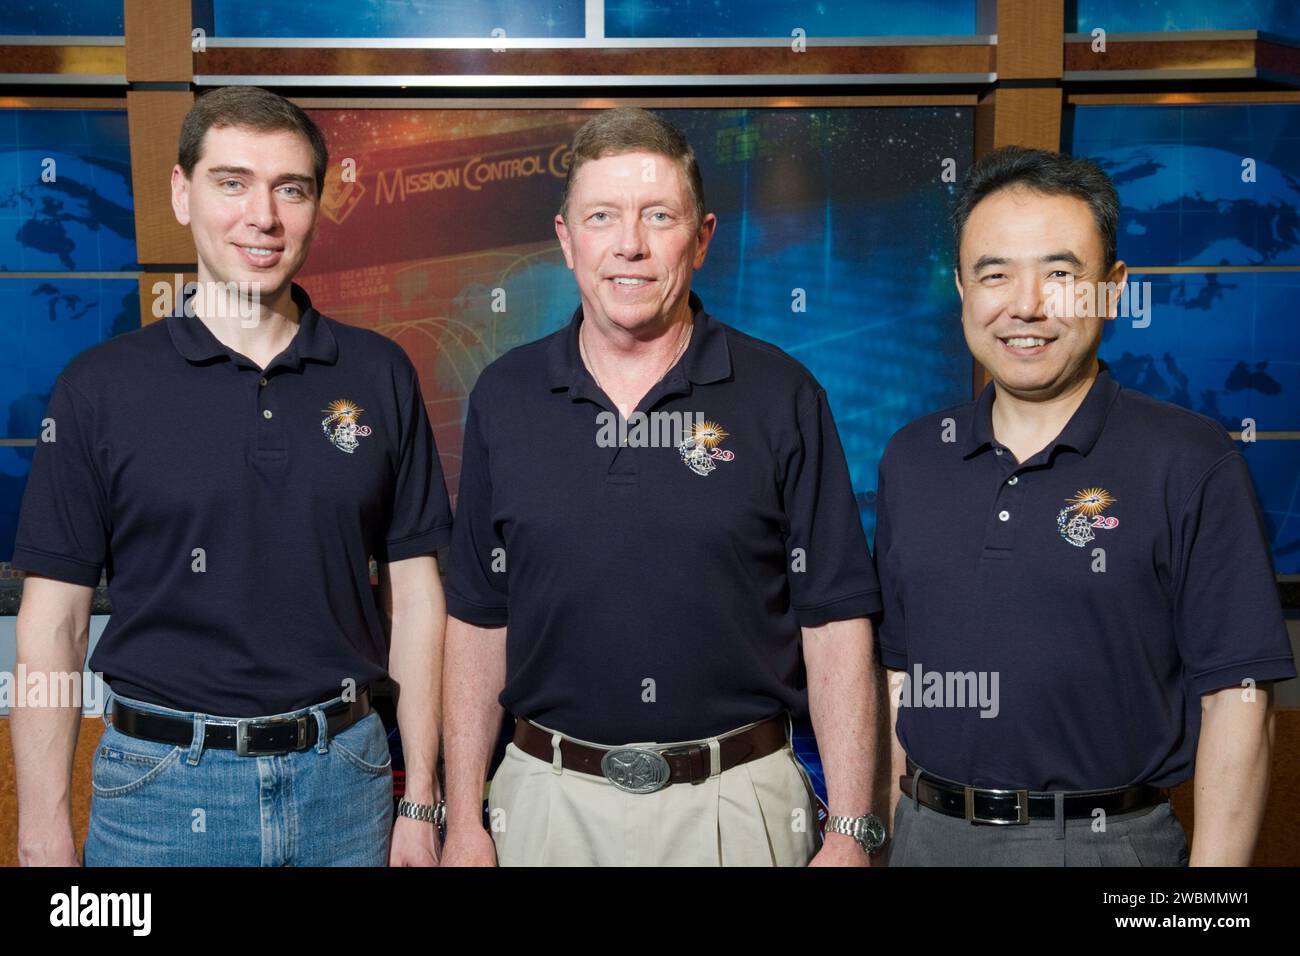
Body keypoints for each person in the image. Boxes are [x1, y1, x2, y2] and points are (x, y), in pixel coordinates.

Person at [12, 86, 450, 866]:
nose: (264, 216)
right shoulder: (99, 387)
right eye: (232, 182)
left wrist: (420, 795)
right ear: (183, 193)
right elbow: (52, 628)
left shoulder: (380, 373)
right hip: (157, 795)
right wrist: (43, 832)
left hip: (347, 786)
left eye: (291, 189)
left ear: (316, 205)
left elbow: (416, 599)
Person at [440, 107, 887, 867]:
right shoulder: (505, 397)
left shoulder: (782, 394)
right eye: (603, 216)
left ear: (703, 237)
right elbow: (481, 621)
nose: (630, 245)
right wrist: (462, 819)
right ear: (566, 239)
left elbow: (835, 621)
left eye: (659, 216)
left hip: (736, 806)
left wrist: (849, 829)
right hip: (542, 806)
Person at [877, 145, 1297, 866]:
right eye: (994, 274)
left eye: (1061, 275)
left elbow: (1238, 699)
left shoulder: (1191, 461)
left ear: (1112, 287)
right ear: (961, 290)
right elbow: (900, 676)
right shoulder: (913, 457)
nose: (1026, 306)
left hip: (1104, 845)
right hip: (927, 834)